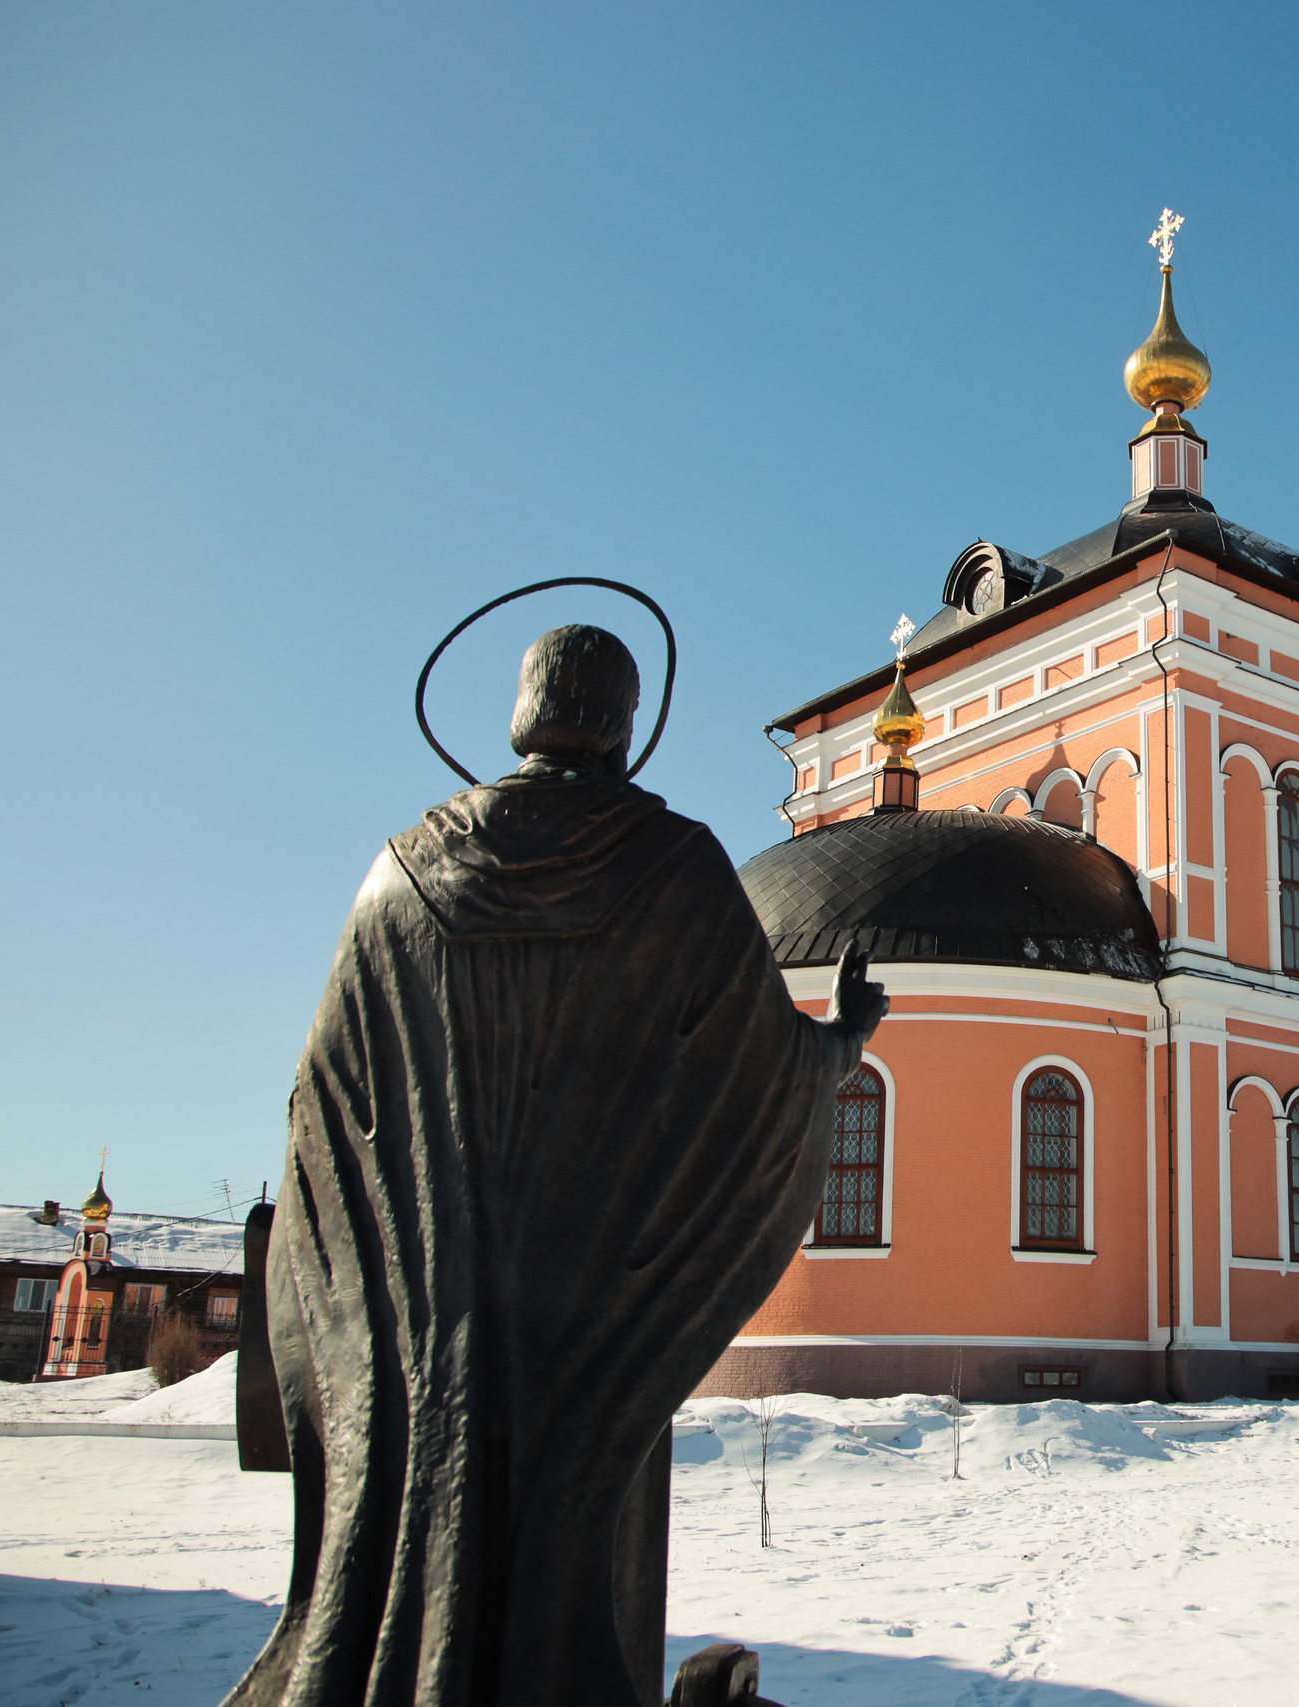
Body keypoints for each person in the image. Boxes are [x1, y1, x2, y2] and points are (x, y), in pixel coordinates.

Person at [227, 624, 886, 1707]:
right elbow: (757, 1074)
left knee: (401, 1553)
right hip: (586, 1321)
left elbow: (323, 1109)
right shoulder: (668, 866)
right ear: (629, 725)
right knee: (571, 1554)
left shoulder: (397, 875)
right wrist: (839, 1043)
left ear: (521, 713)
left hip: (411, 1327)